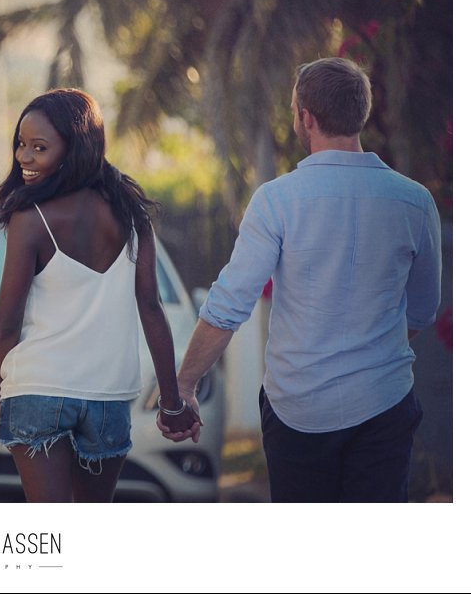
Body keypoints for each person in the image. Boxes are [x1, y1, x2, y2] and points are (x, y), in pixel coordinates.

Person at [163, 57, 442, 502]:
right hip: (384, 404)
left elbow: (229, 305)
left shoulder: (276, 201)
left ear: (305, 118)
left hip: (298, 412)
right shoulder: (414, 201)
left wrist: (183, 387)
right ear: (359, 114)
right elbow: (424, 308)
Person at [0, 88, 200, 502]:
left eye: (39, 147)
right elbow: (151, 310)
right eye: (21, 144)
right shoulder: (132, 216)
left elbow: (6, 324)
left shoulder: (30, 219)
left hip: (37, 389)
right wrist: (171, 404)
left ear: (75, 149)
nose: (24, 158)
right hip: (109, 397)